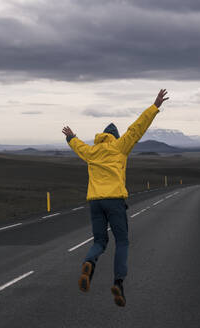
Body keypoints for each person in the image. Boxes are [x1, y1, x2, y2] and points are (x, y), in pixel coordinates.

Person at [62, 89, 169, 307]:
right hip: (114, 201)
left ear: (102, 136)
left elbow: (77, 145)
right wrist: (155, 106)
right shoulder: (121, 147)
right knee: (122, 242)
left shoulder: (91, 151)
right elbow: (138, 128)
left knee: (100, 241)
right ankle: (118, 283)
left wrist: (71, 137)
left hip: (95, 202)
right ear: (116, 137)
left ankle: (89, 262)